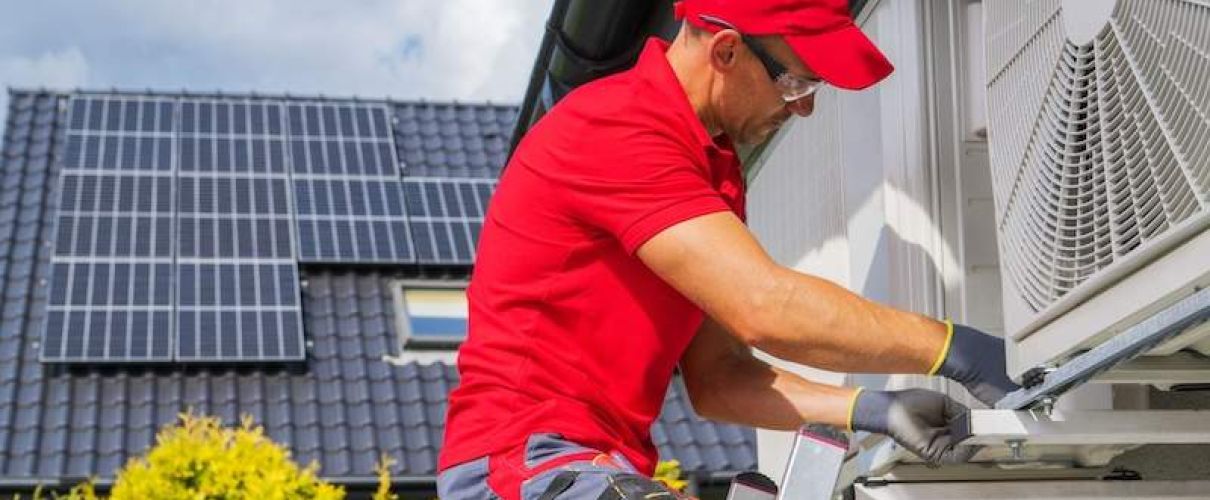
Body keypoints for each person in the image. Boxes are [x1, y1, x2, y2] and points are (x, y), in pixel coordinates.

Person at [437, 0, 1019, 498]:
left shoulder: (711, 168)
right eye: (796, 81)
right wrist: (952, 348)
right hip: (524, 464)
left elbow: (719, 377)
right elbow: (766, 308)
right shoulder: (618, 127)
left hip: (590, 465)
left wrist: (871, 409)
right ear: (726, 51)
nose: (804, 106)